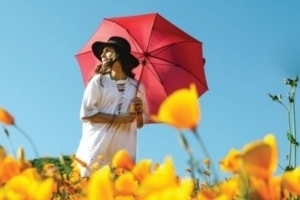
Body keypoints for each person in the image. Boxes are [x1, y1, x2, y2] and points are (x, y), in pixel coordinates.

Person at [75, 36, 149, 177]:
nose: (102, 55)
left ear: (119, 54)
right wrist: (117, 118)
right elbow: (87, 114)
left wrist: (139, 112)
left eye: (107, 50)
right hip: (96, 146)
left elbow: (140, 123)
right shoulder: (98, 81)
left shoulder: (138, 87)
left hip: (123, 147)